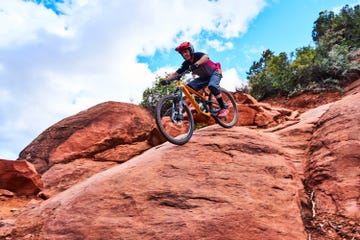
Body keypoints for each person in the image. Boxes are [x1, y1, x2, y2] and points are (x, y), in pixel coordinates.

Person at [162, 41, 229, 117]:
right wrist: (166, 80)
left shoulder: (197, 55)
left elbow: (206, 57)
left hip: (215, 72)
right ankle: (203, 106)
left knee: (212, 85)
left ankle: (223, 108)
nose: (184, 54)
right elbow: (176, 73)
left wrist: (196, 64)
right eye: (182, 53)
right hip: (204, 78)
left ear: (191, 50)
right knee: (188, 89)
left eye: (186, 52)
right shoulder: (186, 64)